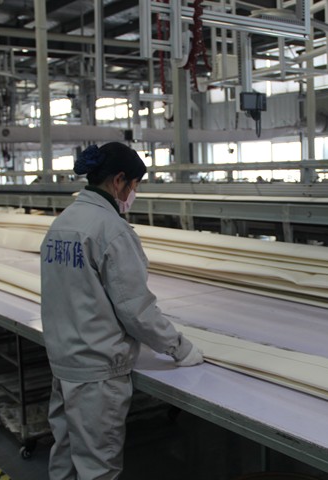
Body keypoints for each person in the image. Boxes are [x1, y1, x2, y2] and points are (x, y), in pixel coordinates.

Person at [40, 142, 203, 480]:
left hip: (64, 361)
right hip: (98, 372)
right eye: (135, 184)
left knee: (65, 456)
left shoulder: (62, 223)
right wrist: (179, 347)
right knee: (98, 467)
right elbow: (135, 309)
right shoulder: (111, 230)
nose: (134, 194)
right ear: (118, 181)